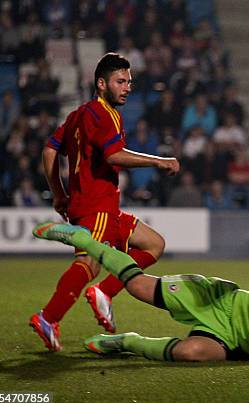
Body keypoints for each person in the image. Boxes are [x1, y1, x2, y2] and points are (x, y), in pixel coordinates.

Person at [33, 221, 249, 366]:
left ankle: (127, 341)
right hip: (221, 301)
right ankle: (82, 238)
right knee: (139, 286)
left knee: (193, 352)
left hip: (228, 340)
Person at [30, 53, 180, 352]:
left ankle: (104, 292)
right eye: (120, 81)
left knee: (154, 244)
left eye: (129, 82)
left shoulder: (78, 114)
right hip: (95, 205)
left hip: (101, 207)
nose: (127, 87)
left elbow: (49, 151)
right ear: (101, 83)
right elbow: (113, 155)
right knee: (89, 261)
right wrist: (158, 161)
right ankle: (48, 317)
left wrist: (59, 193)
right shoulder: (102, 115)